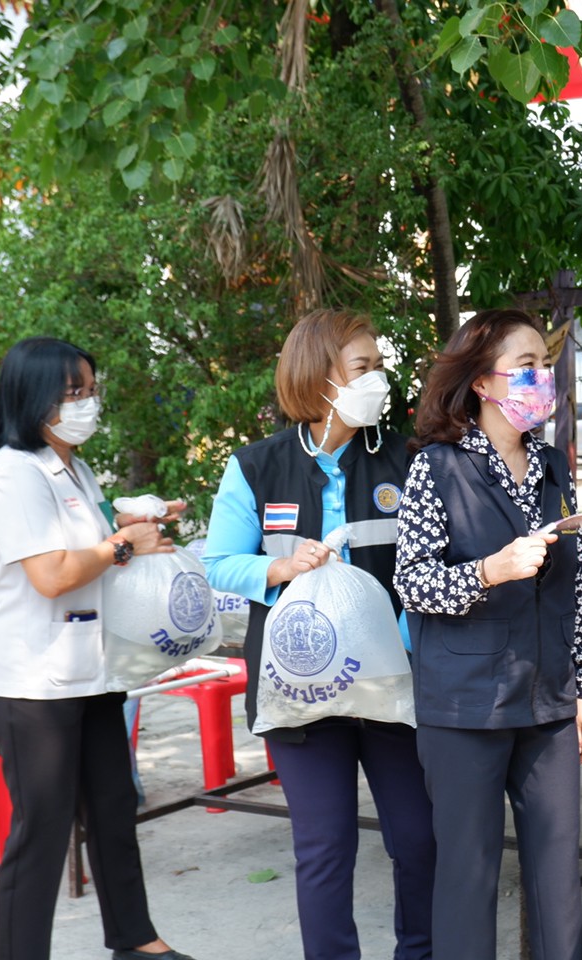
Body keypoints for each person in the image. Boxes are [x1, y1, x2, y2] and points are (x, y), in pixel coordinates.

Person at [202, 309, 434, 960]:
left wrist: (403, 641)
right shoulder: (256, 467)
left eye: (379, 366)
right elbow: (218, 563)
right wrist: (278, 568)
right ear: (318, 377)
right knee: (325, 847)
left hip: (392, 684)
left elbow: (432, 564)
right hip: (300, 687)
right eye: (363, 367)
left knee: (420, 839)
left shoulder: (406, 459)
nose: (378, 380)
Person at [0, 337, 193, 960]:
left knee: (114, 807)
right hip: (31, 682)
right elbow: (52, 575)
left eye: (91, 391)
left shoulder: (72, 466)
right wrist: (123, 545)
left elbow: (91, 546)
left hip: (90, 671)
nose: (87, 403)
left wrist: (134, 526)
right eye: (74, 393)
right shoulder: (13, 472)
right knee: (42, 830)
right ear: (33, 396)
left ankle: (136, 940)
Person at [393, 307, 582, 960]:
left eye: (547, 364)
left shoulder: (554, 467)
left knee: (558, 878)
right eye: (526, 365)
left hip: (548, 702)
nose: (543, 377)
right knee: (468, 875)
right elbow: (413, 583)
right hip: (464, 707)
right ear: (482, 382)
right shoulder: (437, 468)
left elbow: (578, 588)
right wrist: (490, 570)